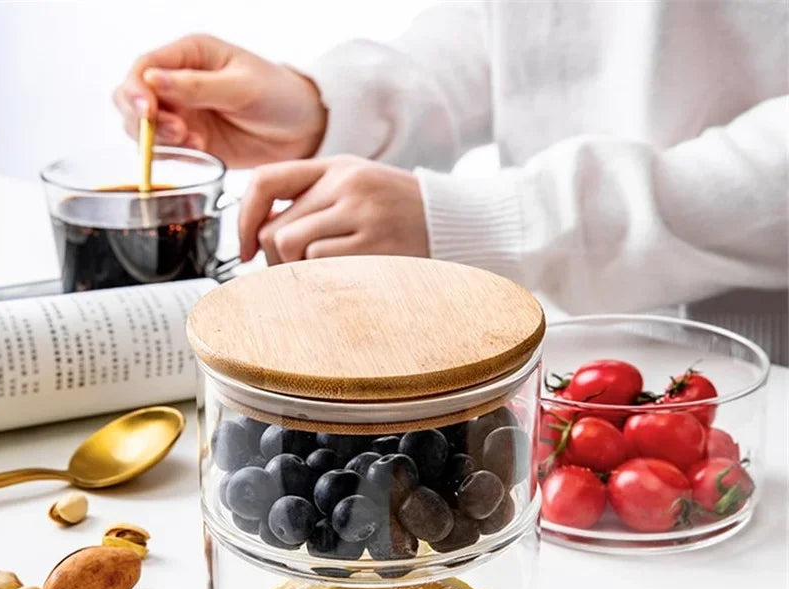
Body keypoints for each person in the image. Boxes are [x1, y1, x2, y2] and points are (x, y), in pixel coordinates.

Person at [114, 1, 789, 363]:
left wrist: (508, 220)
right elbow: (528, 25)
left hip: (763, 359)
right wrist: (329, 106)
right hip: (569, 350)